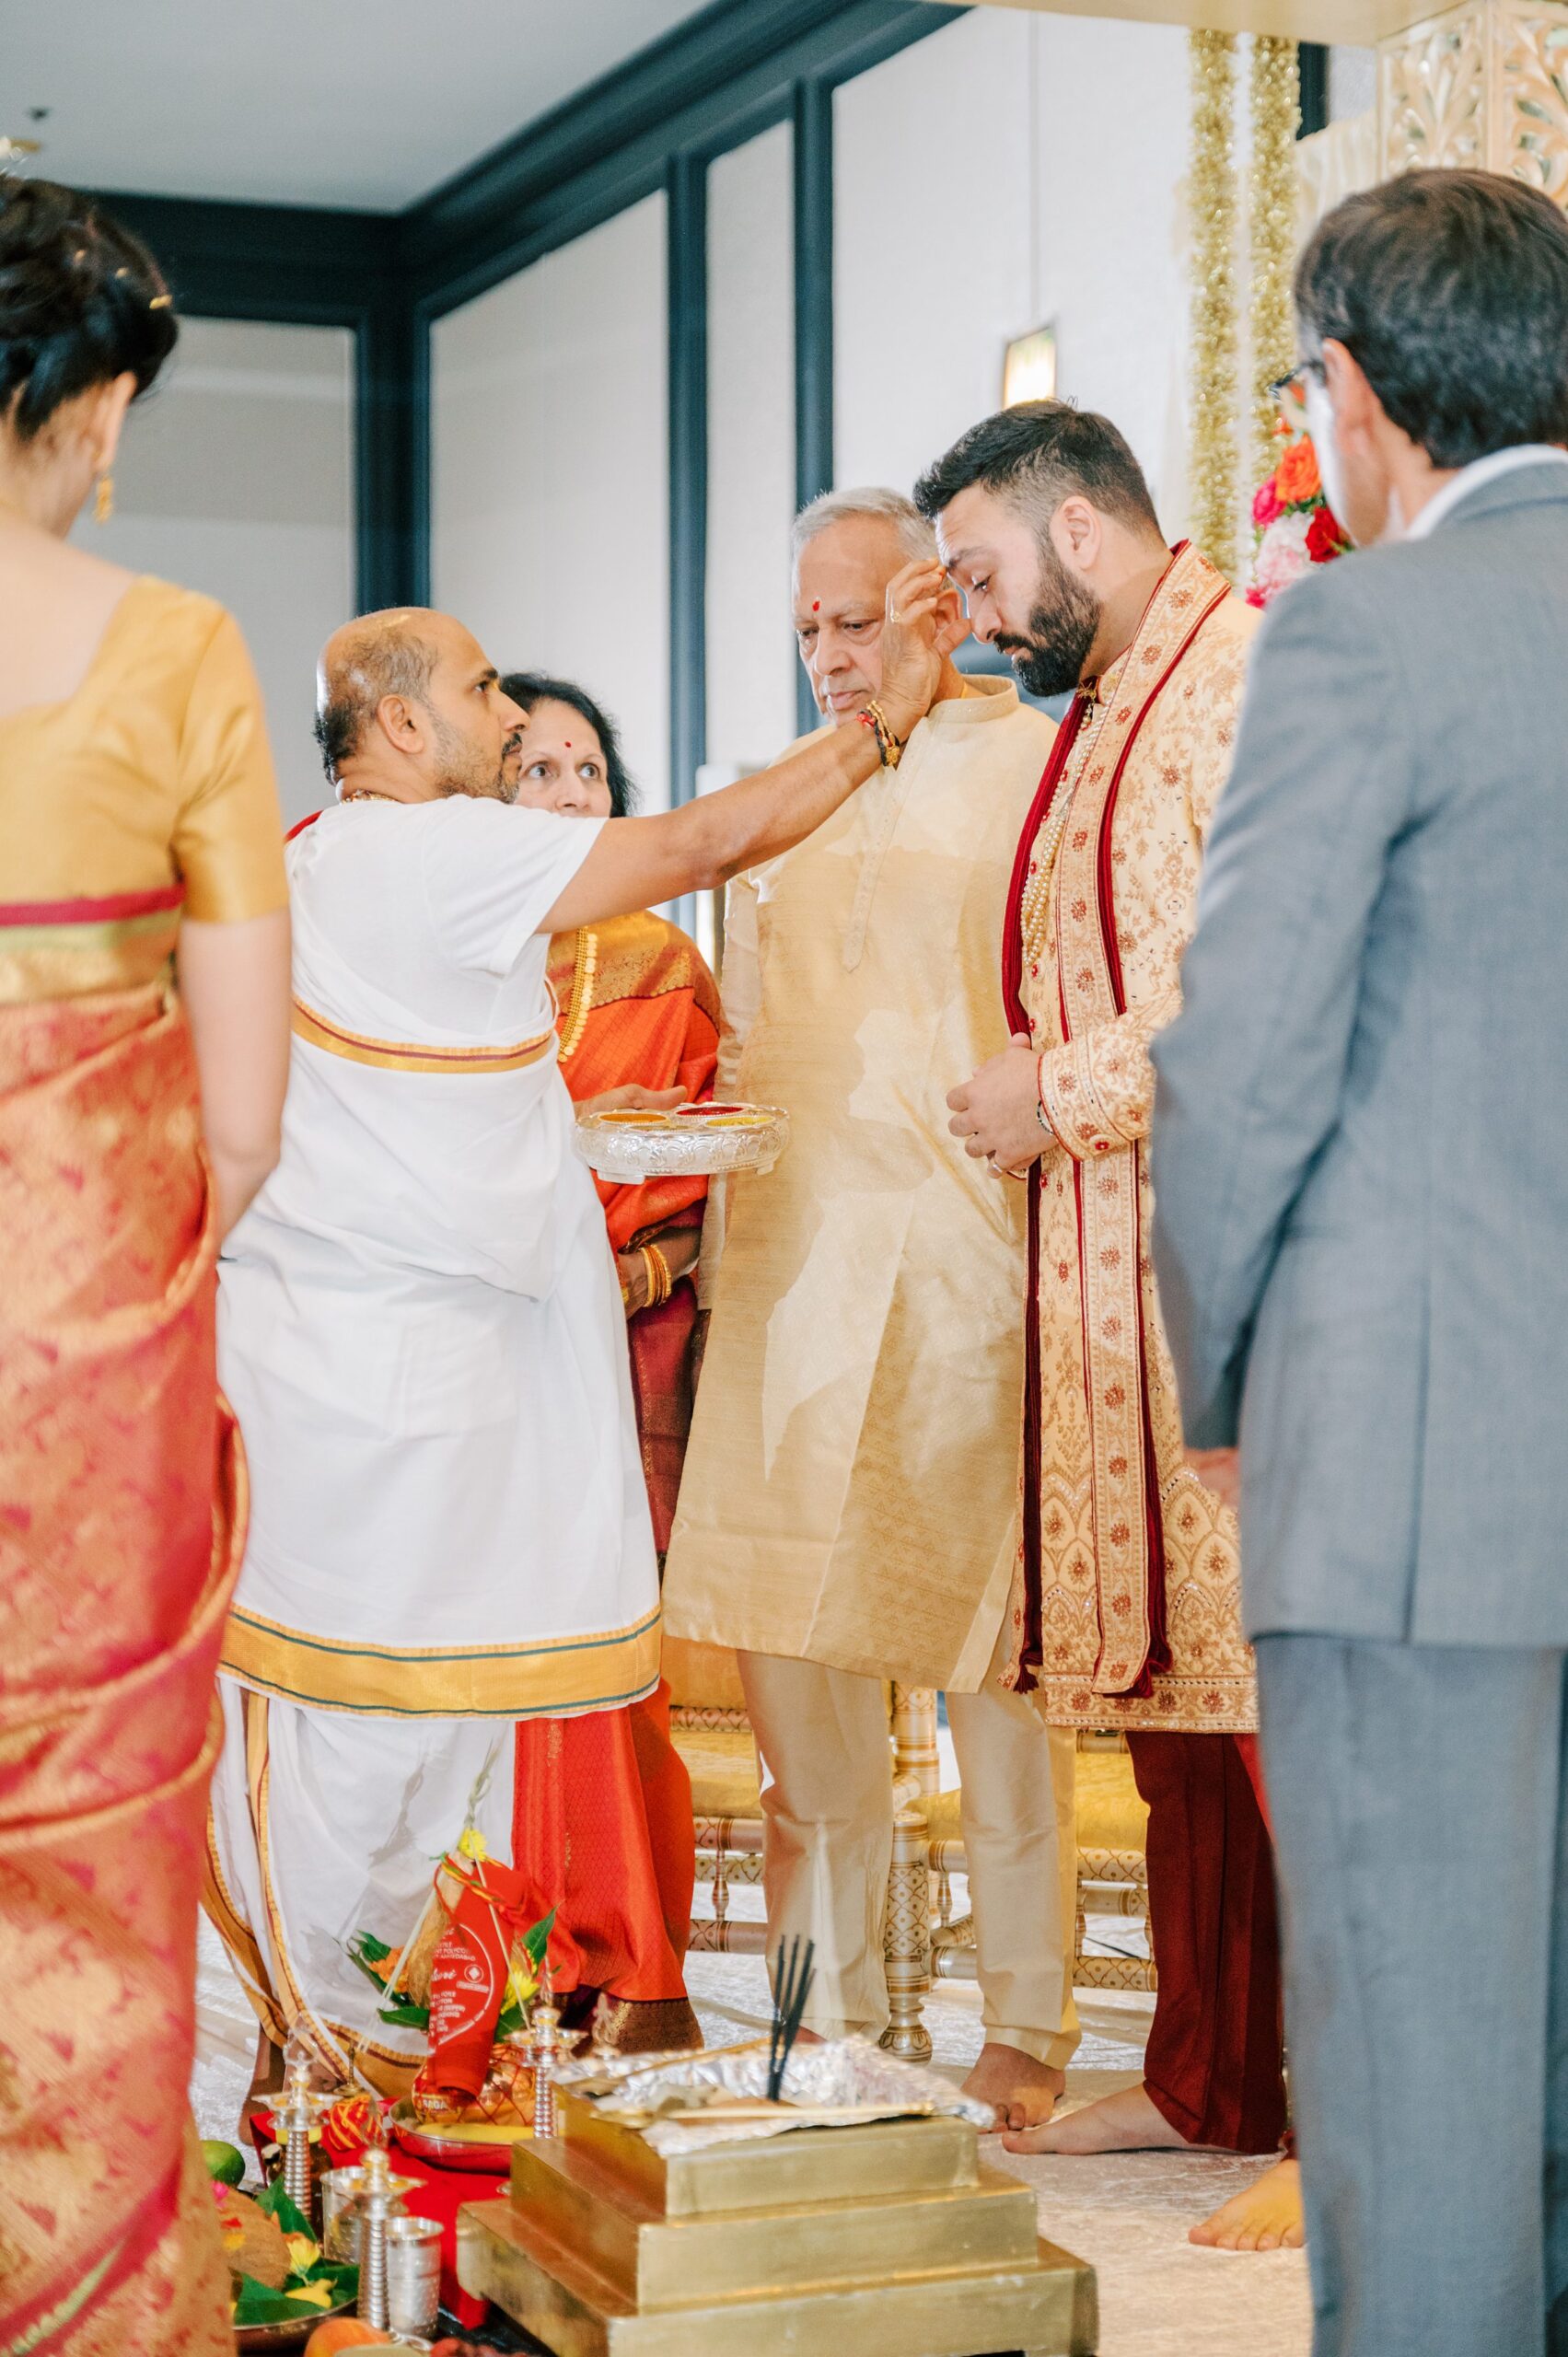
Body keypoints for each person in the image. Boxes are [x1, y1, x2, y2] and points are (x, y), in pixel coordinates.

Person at [206, 574, 950, 2098]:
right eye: (485, 694)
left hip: (335, 1377)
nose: (513, 716)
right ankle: (326, 2064)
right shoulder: (438, 848)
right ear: (402, 723)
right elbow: (701, 843)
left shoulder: (315, 856)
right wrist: (883, 727)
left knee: (384, 1725)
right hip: (404, 1397)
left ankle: (324, 2061)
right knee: (388, 1735)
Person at [1150, 169, 1568, 2355]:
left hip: (1416, 1483)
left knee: (1423, 2105)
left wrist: (1224, 1388)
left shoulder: (1363, 626)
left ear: (1356, 389)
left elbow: (1244, 1065)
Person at [664, 488, 1080, 2131]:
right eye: (809, 634)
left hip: (977, 1258)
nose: (833, 659)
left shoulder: (1039, 764)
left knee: (995, 1667)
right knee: (796, 1676)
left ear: (932, 599)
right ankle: (809, 2025)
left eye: (857, 622)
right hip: (786, 1266)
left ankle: (1029, 2025)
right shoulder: (774, 796)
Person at [931, 404, 1296, 2238]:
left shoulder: (1236, 674)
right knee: (1186, 1713)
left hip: (1227, 1261)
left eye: (986, 575)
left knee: (1281, 1711)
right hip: (1111, 1272)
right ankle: (1212, 2071)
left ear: (1080, 529)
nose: (986, 621)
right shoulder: (1108, 707)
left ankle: (1350, 2121)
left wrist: (1050, 1089)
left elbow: (1265, 977)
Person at [0, 180, 291, 2354]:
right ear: (92, 408)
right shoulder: (176, 648)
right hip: (82, 1350)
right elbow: (251, 1109)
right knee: (91, 1886)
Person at [503, 668, 720, 2050]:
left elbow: (709, 1171)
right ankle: (504, 1954)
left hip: (622, 1346)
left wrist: (613, 1265)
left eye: (588, 770)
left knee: (598, 1660)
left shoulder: (664, 964)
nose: (572, 792)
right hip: (477, 1346)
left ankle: (633, 1962)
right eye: (538, 769)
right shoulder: (457, 957)